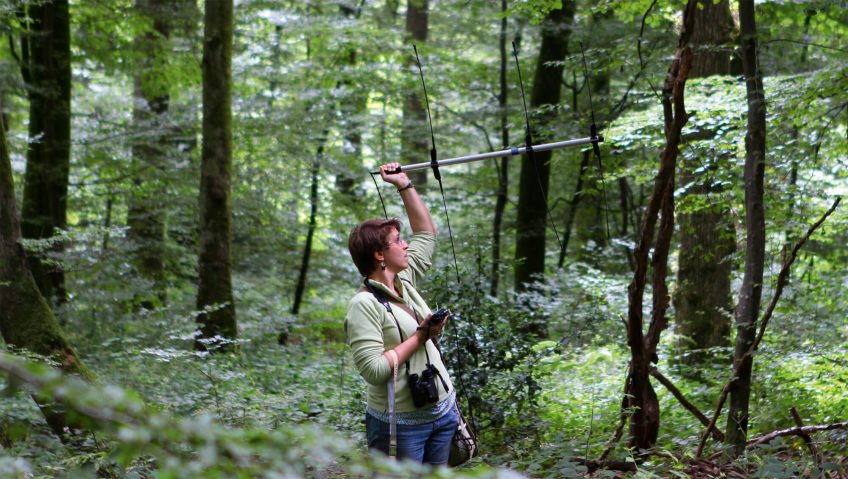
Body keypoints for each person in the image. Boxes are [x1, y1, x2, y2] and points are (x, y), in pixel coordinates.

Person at [345, 162, 458, 465]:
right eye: (398, 241)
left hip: (443, 411)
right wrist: (422, 336)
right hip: (401, 426)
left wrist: (404, 184)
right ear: (379, 255)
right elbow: (375, 370)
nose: (406, 244)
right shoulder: (363, 305)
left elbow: (427, 234)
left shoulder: (404, 281)